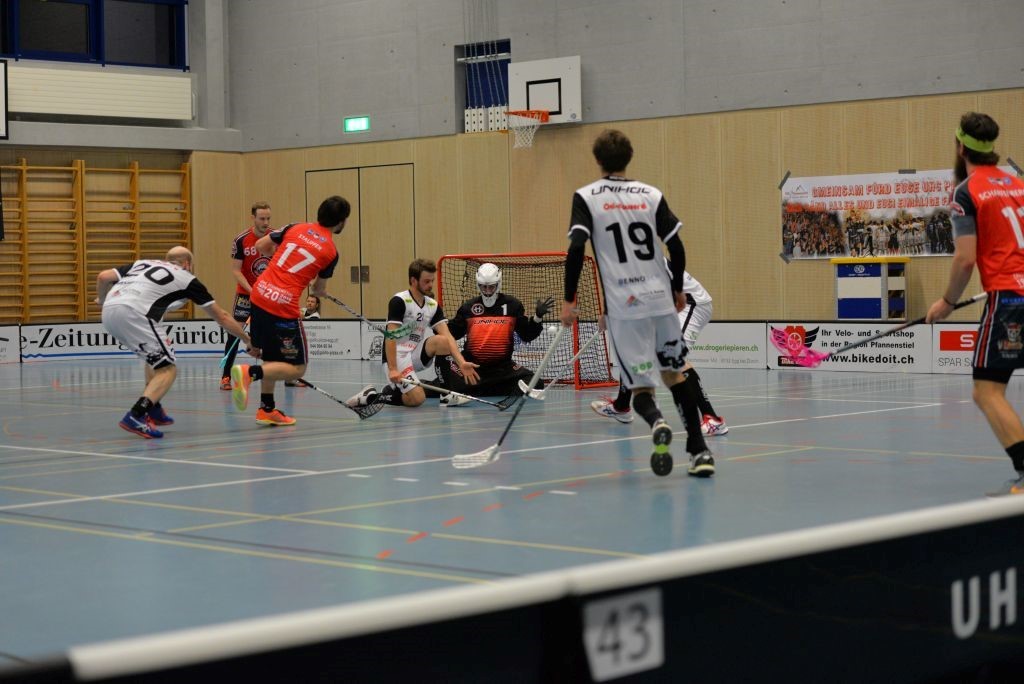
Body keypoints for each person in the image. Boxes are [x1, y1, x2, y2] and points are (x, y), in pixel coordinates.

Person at [561, 129, 714, 478]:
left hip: (625, 308)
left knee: (641, 386)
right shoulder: (650, 195)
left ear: (597, 160)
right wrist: (677, 289)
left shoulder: (586, 197)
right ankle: (699, 451)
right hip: (660, 302)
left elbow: (576, 248)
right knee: (675, 374)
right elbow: (676, 246)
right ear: (629, 158)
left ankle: (657, 421)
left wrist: (570, 300)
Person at [926, 112, 1024, 497]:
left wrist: (947, 302)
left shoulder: (967, 193)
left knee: (986, 391)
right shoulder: (1018, 184)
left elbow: (965, 259)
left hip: (1009, 299)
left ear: (960, 147)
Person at [97, 246, 255, 438]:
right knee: (167, 369)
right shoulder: (187, 279)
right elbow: (222, 317)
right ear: (188, 264)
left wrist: (103, 300)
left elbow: (103, 277)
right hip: (133, 313)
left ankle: (154, 407)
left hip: (109, 311)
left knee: (154, 358)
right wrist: (247, 340)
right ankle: (136, 415)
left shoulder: (142, 264)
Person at [230, 195, 350, 426]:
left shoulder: (295, 227)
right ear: (341, 221)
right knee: (297, 369)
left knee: (271, 357)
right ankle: (249, 373)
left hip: (259, 293)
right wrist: (321, 291)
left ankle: (266, 409)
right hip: (282, 305)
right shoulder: (331, 252)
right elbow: (318, 289)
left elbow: (260, 246)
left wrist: (280, 262)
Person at [591, 269, 727, 436]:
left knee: (672, 356)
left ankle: (713, 419)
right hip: (665, 304)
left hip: (690, 303)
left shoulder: (639, 261)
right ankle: (621, 407)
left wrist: (608, 314)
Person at [347, 258, 479, 408]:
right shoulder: (399, 301)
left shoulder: (432, 305)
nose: (431, 285)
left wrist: (461, 363)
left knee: (442, 341)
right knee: (417, 399)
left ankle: (446, 395)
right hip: (396, 356)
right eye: (426, 281)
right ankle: (370, 397)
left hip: (414, 353)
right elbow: (390, 337)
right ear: (413, 280)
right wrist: (393, 369)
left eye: (432, 281)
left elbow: (448, 335)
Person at [437, 262, 554, 397]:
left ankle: (479, 389)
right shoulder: (468, 307)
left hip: (503, 370)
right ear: (478, 285)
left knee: (535, 383)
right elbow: (452, 333)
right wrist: (437, 321)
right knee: (442, 386)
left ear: (498, 284)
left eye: (491, 287)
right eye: (484, 287)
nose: (487, 291)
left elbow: (527, 335)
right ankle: (487, 388)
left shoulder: (513, 305)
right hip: (472, 368)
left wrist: (537, 317)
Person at [219, 201, 273, 391]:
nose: (266, 223)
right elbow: (236, 270)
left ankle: (286, 375)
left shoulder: (275, 237)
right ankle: (226, 376)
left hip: (269, 294)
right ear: (253, 218)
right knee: (235, 332)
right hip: (245, 294)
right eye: (262, 218)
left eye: (268, 218)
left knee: (276, 332)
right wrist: (252, 290)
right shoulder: (241, 240)